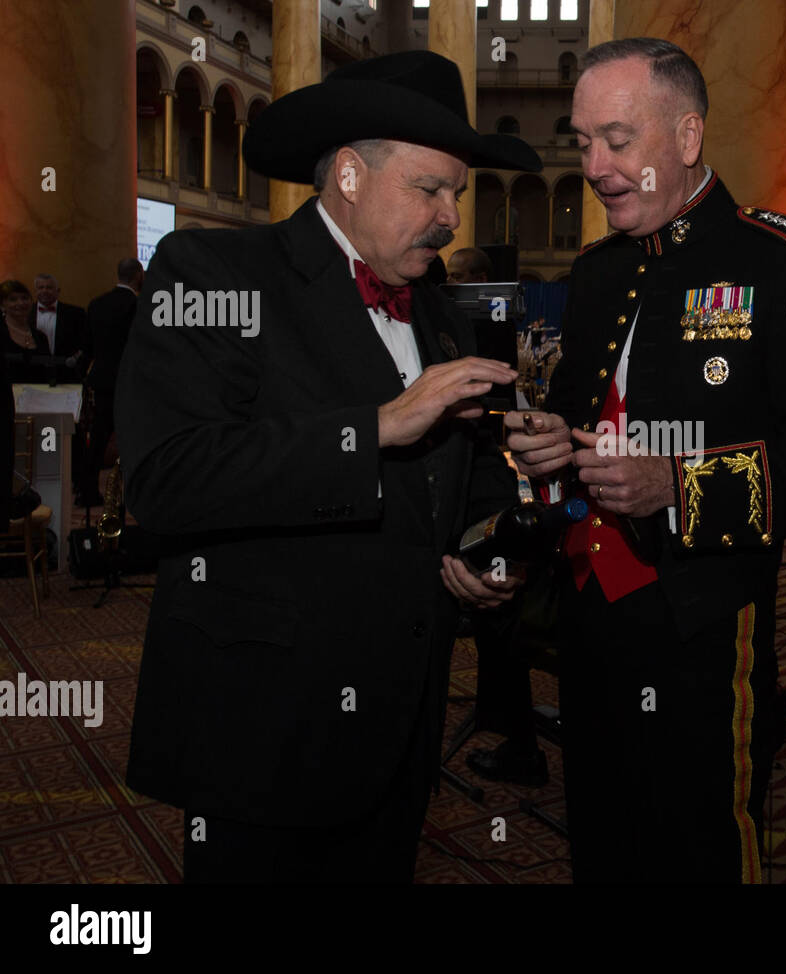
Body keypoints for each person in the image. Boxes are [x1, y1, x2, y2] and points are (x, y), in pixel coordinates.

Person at [116, 50, 542, 883]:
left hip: (401, 729)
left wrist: (490, 550)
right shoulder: (211, 274)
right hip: (263, 730)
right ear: (348, 175)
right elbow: (165, 479)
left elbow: (466, 473)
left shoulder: (441, 315)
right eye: (431, 189)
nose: (453, 217)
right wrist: (374, 427)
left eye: (458, 192)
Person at [504, 38, 786, 883]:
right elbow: (576, 409)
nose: (594, 165)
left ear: (686, 135)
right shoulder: (598, 273)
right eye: (582, 140)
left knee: (698, 834)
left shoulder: (784, 261)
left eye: (617, 140)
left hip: (702, 611)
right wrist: (545, 444)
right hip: (587, 600)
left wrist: (678, 486)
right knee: (601, 825)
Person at [80, 258, 144, 504]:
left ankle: (87, 490)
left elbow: (88, 346)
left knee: (97, 438)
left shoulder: (96, 304)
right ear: (139, 275)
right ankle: (134, 495)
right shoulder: (137, 306)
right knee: (133, 437)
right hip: (130, 381)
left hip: (102, 378)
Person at [30, 273, 88, 374]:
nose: (44, 291)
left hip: (67, 371)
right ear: (35, 291)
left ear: (58, 291)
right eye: (41, 287)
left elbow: (85, 344)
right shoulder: (25, 313)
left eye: (49, 287)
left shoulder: (75, 314)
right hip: (33, 371)